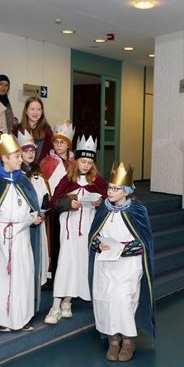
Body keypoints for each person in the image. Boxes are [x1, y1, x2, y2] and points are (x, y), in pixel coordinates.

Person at [88, 161, 155, 362]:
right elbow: (93, 237)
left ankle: (128, 341)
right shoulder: (103, 210)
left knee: (123, 301)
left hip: (128, 265)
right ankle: (113, 340)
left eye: (116, 188)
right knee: (106, 301)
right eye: (110, 187)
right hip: (105, 263)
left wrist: (123, 248)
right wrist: (98, 245)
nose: (111, 191)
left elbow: (145, 242)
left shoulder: (137, 210)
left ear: (126, 191)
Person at [0, 133, 43, 332]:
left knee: (23, 276)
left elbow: (32, 206)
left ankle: (22, 317)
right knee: (2, 277)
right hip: (1, 236)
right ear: (4, 158)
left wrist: (35, 218)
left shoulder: (23, 181)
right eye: (16, 156)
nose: (20, 159)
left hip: (22, 236)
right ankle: (3, 320)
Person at [45, 136, 106, 324]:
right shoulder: (67, 179)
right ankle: (55, 306)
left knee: (79, 264)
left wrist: (99, 202)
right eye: (83, 161)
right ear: (76, 160)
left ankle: (67, 302)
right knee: (65, 263)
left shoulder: (97, 181)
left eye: (89, 162)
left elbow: (106, 202)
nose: (86, 165)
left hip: (86, 230)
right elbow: (54, 202)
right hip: (69, 229)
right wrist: (69, 202)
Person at [19, 130, 52, 286]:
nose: (30, 154)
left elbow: (45, 197)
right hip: (24, 222)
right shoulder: (18, 174)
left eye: (32, 150)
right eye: (26, 151)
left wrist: (44, 210)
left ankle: (38, 279)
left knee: (38, 250)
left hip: (38, 219)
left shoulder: (37, 174)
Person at [39, 120, 75, 193]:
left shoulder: (74, 163)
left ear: (68, 145)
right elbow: (41, 183)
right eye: (56, 142)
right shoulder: (46, 161)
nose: (58, 145)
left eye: (62, 142)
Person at [16, 96, 54, 162]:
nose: (35, 112)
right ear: (26, 111)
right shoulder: (17, 130)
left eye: (38, 109)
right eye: (32, 109)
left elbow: (51, 152)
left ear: (42, 112)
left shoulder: (47, 131)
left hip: (41, 170)